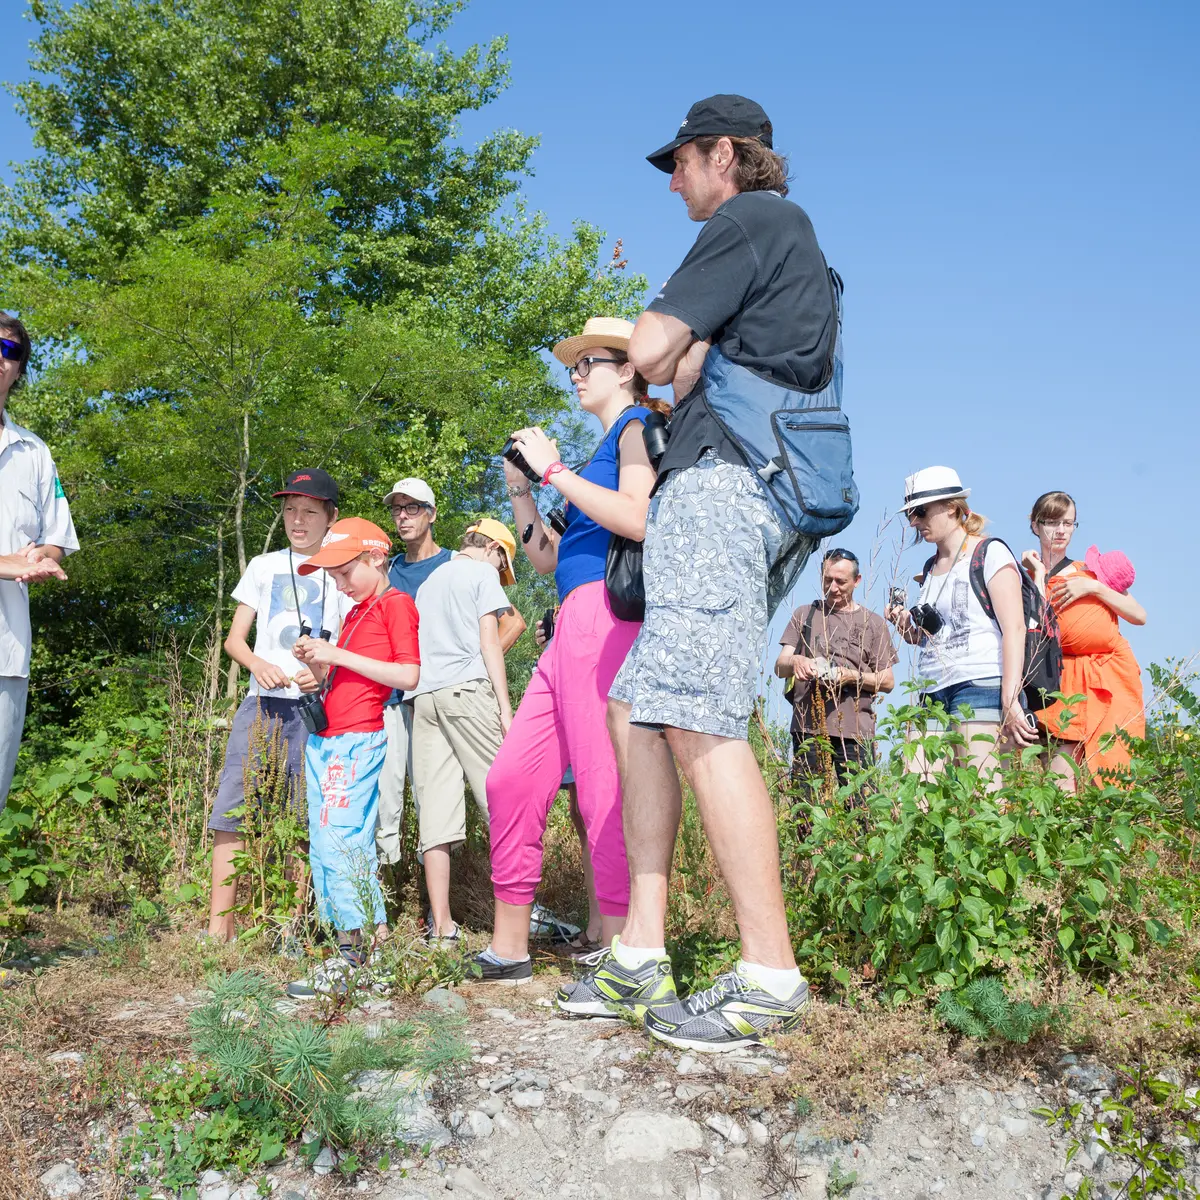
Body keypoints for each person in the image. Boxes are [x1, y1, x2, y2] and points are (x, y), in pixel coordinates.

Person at [569, 96, 836, 1048]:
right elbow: (680, 375)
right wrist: (676, 359)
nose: (674, 181)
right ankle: (641, 953)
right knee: (638, 709)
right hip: (726, 491)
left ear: (727, 153)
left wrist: (660, 341)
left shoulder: (750, 219)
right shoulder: (783, 250)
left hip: (726, 492)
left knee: (696, 714)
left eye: (680, 161)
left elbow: (647, 351)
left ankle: (768, 971)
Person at [467, 315, 660, 987]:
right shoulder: (588, 458)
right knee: (511, 777)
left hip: (607, 620)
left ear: (628, 369)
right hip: (568, 621)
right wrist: (523, 485)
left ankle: (616, 939)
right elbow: (545, 558)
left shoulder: (637, 428)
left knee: (603, 782)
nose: (575, 376)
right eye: (571, 368)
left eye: (588, 365)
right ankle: (510, 944)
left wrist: (555, 470)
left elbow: (637, 515)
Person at [205, 468, 349, 941]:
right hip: (260, 703)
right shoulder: (264, 566)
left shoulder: (342, 571)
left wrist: (324, 672)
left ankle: (292, 926)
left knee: (305, 814)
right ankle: (218, 928)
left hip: (313, 711)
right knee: (234, 809)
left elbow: (351, 647)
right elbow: (234, 640)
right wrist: (257, 664)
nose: (297, 520)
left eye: (309, 511)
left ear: (331, 517)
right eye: (289, 510)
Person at [286, 518, 420, 996]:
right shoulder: (358, 610)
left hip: (356, 741)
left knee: (341, 842)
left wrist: (336, 657)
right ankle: (376, 950)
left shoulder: (395, 604)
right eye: (334, 577)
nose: (340, 585)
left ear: (375, 558)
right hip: (327, 739)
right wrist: (317, 668)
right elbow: (349, 676)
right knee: (331, 845)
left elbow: (406, 675)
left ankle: (352, 955)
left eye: (345, 573)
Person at [376, 478, 524, 873]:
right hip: (393, 701)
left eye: (412, 509)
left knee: (438, 801)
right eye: (396, 509)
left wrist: (462, 667)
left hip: (440, 694)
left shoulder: (454, 563)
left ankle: (447, 906)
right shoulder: (387, 570)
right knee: (388, 806)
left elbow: (511, 624)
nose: (403, 517)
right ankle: (389, 902)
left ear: (431, 514)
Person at [407, 518, 519, 945]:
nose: (500, 575)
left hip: (426, 699)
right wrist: (506, 710)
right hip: (467, 693)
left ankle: (443, 927)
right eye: (502, 564)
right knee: (503, 803)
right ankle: (514, 920)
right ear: (492, 548)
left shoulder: (431, 581)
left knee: (435, 816)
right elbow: (490, 643)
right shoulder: (478, 573)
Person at [885, 467, 1039, 779]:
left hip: (980, 683)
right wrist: (904, 626)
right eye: (910, 515)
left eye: (920, 512)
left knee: (982, 793)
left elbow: (1015, 628)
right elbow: (929, 637)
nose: (914, 521)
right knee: (916, 793)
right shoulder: (929, 568)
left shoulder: (990, 552)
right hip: (931, 689)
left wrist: (1010, 697)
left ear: (952, 508)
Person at [0, 313, 76, 811]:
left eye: (11, 351)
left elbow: (57, 540)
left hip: (7, 651)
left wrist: (39, 558)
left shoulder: (35, 451)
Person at [1022, 491, 1146, 781]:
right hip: (1055, 679)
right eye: (1053, 522)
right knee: (1060, 774)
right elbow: (1033, 627)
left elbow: (1139, 615)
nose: (1062, 530)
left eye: (1069, 523)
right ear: (1035, 524)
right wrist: (1038, 574)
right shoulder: (1023, 576)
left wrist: (1093, 589)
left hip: (1106, 678)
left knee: (1114, 772)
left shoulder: (1090, 572)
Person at [775, 548, 897, 790]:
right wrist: (797, 661)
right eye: (827, 580)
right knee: (807, 808)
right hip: (807, 727)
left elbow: (888, 681)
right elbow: (780, 666)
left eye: (841, 582)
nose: (833, 588)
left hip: (855, 732)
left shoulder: (873, 623)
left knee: (859, 806)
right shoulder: (804, 614)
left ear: (857, 581)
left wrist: (852, 677)